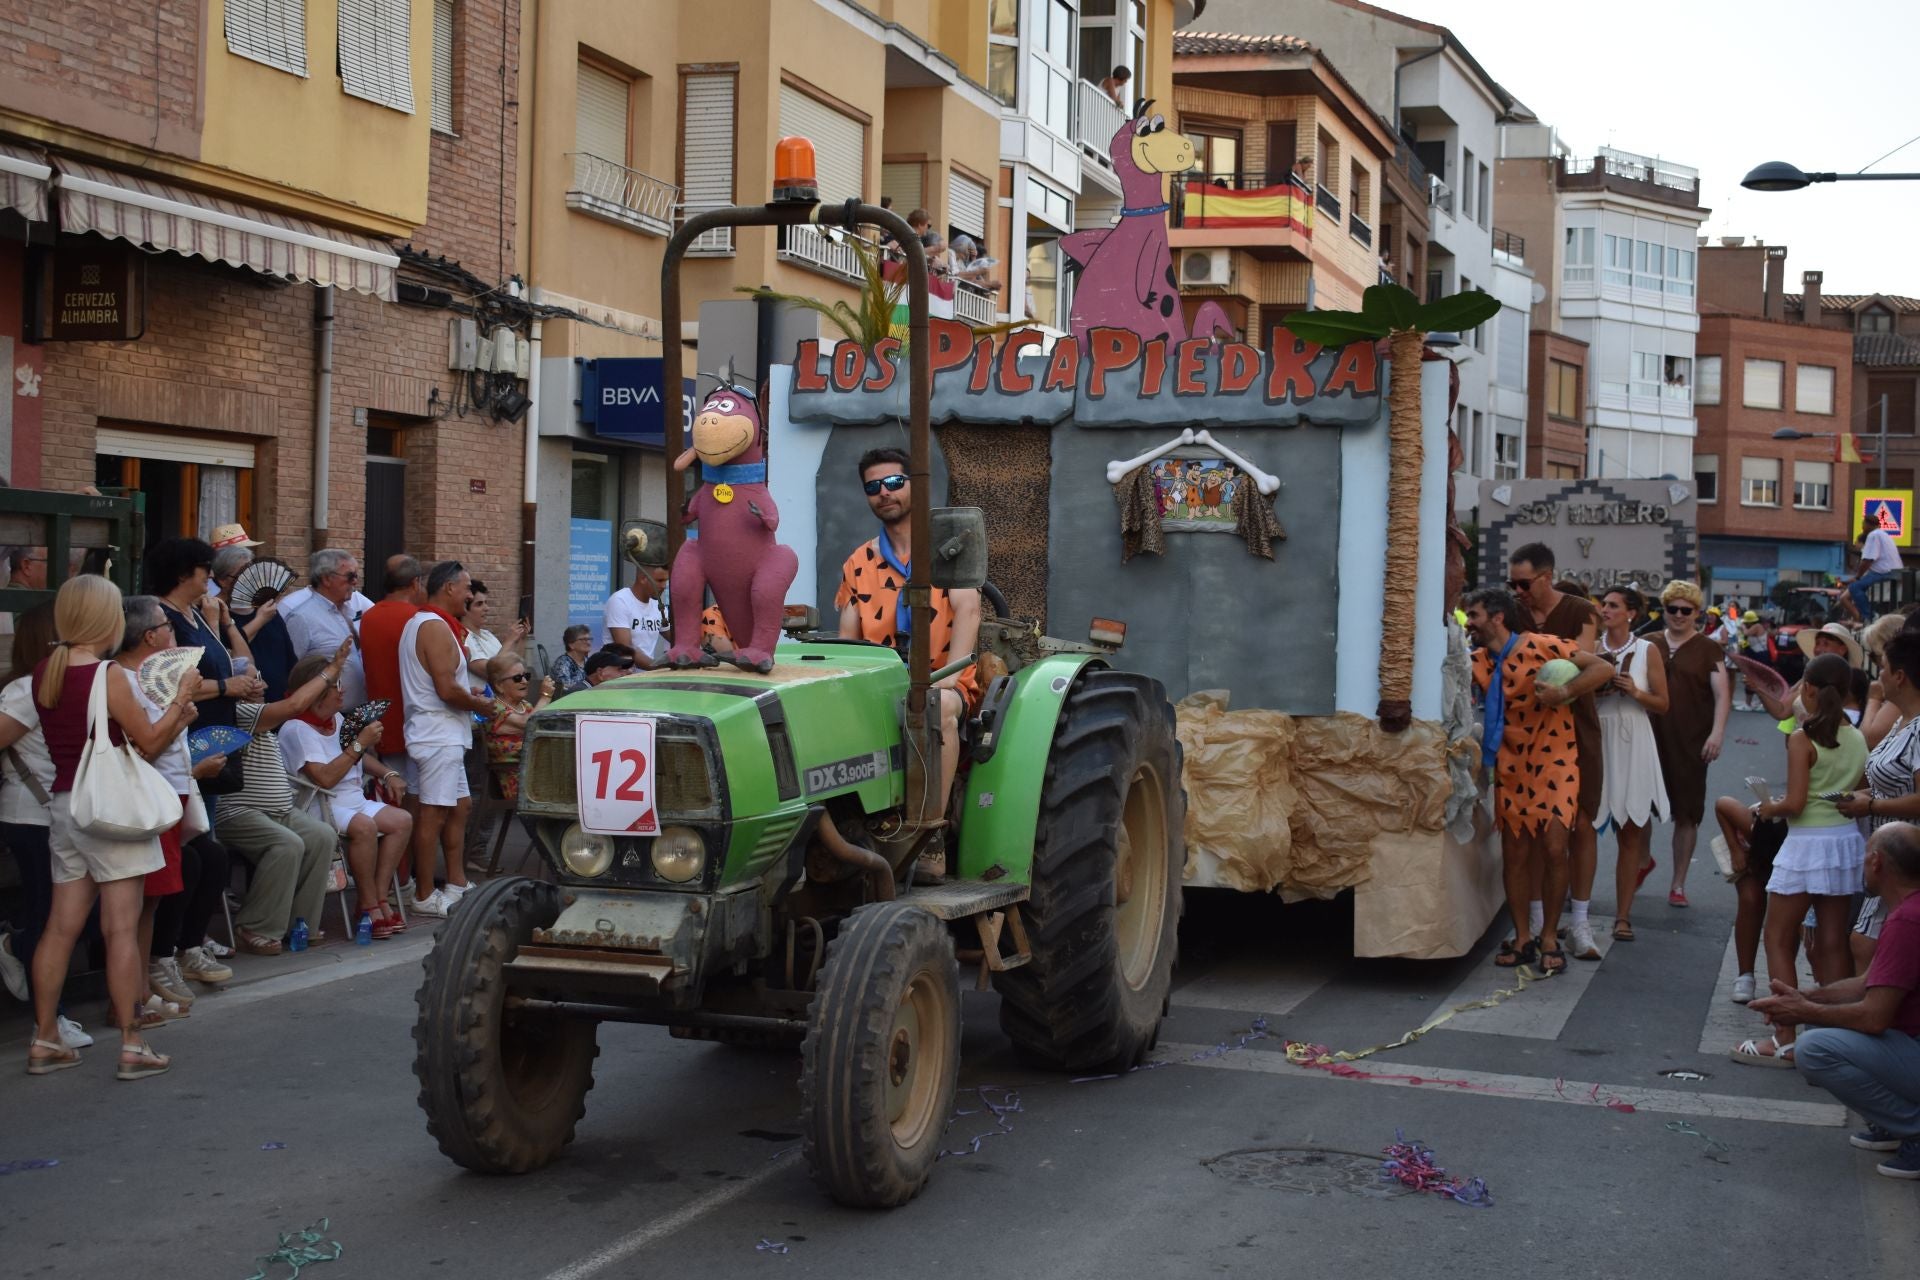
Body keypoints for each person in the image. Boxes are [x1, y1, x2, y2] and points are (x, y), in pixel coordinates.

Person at [12, 576, 192, 1080]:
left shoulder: (47, 669)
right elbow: (150, 743)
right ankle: (133, 1044)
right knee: (120, 929)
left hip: (66, 806)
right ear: (105, 618)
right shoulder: (108, 674)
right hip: (110, 809)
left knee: (60, 927)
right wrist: (180, 702)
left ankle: (45, 1036)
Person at [836, 447, 982, 878]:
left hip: (944, 679)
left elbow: (969, 612)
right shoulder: (858, 563)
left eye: (895, 482)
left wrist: (947, 679)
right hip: (880, 684)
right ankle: (852, 828)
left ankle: (929, 835)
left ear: (915, 485)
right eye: (873, 487)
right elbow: (848, 640)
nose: (885, 493)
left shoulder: (948, 549)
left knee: (936, 710)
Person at [1749, 821, 1920, 1178]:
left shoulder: (1907, 919)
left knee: (1815, 1049)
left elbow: (1874, 1017)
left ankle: (1913, 1128)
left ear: (1876, 863)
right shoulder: (1907, 910)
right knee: (1824, 1035)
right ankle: (1896, 1124)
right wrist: (1808, 997)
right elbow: (1868, 983)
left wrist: (1804, 1012)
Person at [1465, 588, 1616, 976]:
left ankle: (1550, 937)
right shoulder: (1478, 661)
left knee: (1553, 848)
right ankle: (1522, 938)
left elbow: (1603, 668)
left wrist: (1565, 691)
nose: (1471, 623)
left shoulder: (1542, 646)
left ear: (1498, 618)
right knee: (1515, 855)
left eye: (1475, 615)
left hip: (1555, 760)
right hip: (1511, 764)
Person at [1732, 654, 1868, 1068]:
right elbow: (1855, 792)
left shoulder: (1802, 737)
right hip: (1844, 843)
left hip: (1806, 843)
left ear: (1807, 688)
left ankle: (1785, 1038)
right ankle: (1833, 1033)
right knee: (1831, 941)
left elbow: (1793, 803)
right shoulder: (1858, 737)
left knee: (1777, 938)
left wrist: (1766, 809)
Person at [115, 595, 230, 1018]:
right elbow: (144, 747)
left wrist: (179, 715)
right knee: (146, 898)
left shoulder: (144, 678)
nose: (174, 631)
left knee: (163, 891)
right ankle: (139, 988)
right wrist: (180, 705)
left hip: (171, 795)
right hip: (149, 798)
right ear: (150, 636)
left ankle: (148, 981)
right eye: (167, 624)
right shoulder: (125, 681)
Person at [0, 601, 100, 1050]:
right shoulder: (27, 688)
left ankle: (18, 952)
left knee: (68, 916)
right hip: (30, 812)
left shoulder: (55, 680)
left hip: (58, 812)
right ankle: (50, 1019)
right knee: (50, 915)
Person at [215, 638, 354, 955]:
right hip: (239, 812)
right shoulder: (240, 712)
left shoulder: (259, 710)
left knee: (321, 834)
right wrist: (333, 667)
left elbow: (245, 658)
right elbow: (294, 705)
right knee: (286, 843)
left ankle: (299, 924)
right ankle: (255, 926)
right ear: (236, 686)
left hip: (277, 810)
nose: (262, 683)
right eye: (253, 679)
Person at [1508, 545, 1606, 955]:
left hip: (1575, 729)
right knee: (1529, 829)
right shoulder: (1512, 611)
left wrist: (1563, 690)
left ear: (1546, 577)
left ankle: (1580, 922)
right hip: (1525, 731)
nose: (1518, 590)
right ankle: (1533, 922)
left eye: (1524, 583)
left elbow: (1590, 667)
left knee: (1580, 824)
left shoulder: (1580, 610)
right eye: (1511, 583)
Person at [278, 653, 411, 939]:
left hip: (351, 799)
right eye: (336, 685)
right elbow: (325, 778)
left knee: (402, 820)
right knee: (365, 826)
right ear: (317, 693)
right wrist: (360, 744)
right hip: (320, 804)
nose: (344, 691)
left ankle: (379, 895)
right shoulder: (296, 729)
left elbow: (360, 759)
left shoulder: (336, 718)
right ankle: (367, 904)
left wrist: (387, 773)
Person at [401, 561, 496, 917]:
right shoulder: (434, 626)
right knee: (434, 813)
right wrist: (479, 703)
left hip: (444, 731)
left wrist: (467, 693)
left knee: (460, 807)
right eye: (467, 587)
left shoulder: (429, 624)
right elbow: (444, 689)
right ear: (449, 588)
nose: (471, 595)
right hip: (437, 733)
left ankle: (455, 882)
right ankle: (425, 895)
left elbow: (442, 683)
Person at [1838, 631, 1920, 976]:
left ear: (1900, 676)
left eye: (1882, 667)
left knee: (1869, 945)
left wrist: (1871, 807)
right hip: (1884, 858)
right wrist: (1865, 797)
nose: (1878, 677)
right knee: (1866, 942)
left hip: (1907, 860)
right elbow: (1890, 783)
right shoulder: (1901, 722)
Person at [1595, 586, 1671, 945]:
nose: (1605, 610)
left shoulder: (1647, 650)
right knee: (1583, 828)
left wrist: (1635, 691)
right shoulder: (1591, 646)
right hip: (1597, 734)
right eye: (1603, 604)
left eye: (1612, 605)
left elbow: (1662, 703)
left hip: (1633, 737)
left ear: (1630, 614)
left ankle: (1623, 916)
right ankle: (1576, 911)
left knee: (1630, 830)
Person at [1650, 580, 1730, 909]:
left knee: (1687, 813)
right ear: (1665, 610)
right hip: (1649, 736)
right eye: (1673, 609)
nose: (1679, 615)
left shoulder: (1709, 648)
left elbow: (1722, 694)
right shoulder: (1648, 643)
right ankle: (1641, 861)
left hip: (1691, 739)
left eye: (1687, 610)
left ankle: (1678, 883)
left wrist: (1717, 733)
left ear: (1697, 613)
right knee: (1637, 808)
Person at [148, 536, 263, 730]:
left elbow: (224, 664)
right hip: (192, 737)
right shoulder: (161, 617)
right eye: (205, 568)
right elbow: (168, 684)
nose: (211, 575)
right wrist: (225, 687)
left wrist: (243, 684)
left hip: (219, 734)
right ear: (183, 574)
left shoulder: (195, 612)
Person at [359, 554, 426, 806]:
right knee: (421, 797)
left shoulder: (370, 616)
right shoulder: (418, 619)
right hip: (415, 717)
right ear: (415, 583)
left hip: (383, 716)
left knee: (393, 793)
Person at [281, 549, 371, 707]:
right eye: (350, 576)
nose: (355, 582)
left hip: (355, 711)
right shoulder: (302, 617)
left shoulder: (351, 606)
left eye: (356, 576)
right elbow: (290, 672)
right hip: (323, 717)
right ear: (327, 579)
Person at [483, 654, 555, 802]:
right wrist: (545, 696)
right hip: (518, 779)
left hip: (537, 772)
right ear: (498, 685)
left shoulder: (526, 706)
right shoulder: (494, 707)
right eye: (517, 678)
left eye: (526, 676)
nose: (524, 681)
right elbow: (530, 723)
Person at [604, 561, 669, 670]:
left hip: (646, 675)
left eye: (666, 581)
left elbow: (675, 637)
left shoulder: (658, 605)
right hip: (620, 676)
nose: (664, 586)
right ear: (643, 578)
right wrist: (659, 668)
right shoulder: (620, 601)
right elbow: (626, 649)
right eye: (659, 580)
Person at [1846, 516, 1905, 623]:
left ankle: (1870, 617)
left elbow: (1868, 560)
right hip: (1895, 572)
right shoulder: (1885, 535)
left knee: (1855, 587)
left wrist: (1858, 577)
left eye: (1863, 524)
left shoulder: (1873, 536)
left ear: (1868, 524)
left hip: (1885, 573)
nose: (1862, 527)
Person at [551, 624, 592, 691]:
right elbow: (566, 690)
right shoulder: (562, 664)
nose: (588, 643)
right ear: (571, 644)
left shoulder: (588, 661)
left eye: (589, 639)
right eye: (584, 639)